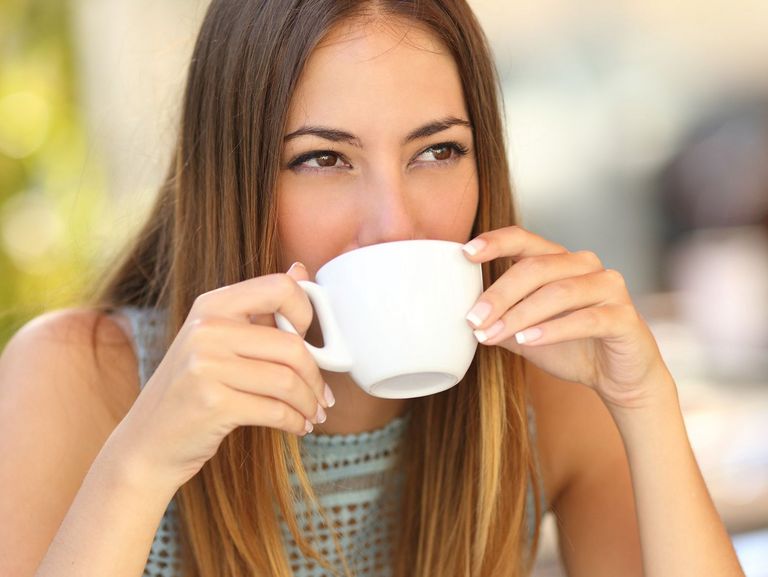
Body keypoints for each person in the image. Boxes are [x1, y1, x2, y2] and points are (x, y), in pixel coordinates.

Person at [0, 1, 744, 576]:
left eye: (438, 150)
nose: (395, 223)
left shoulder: (544, 386)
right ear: (235, 182)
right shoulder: (78, 378)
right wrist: (141, 465)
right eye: (324, 158)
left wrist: (645, 403)